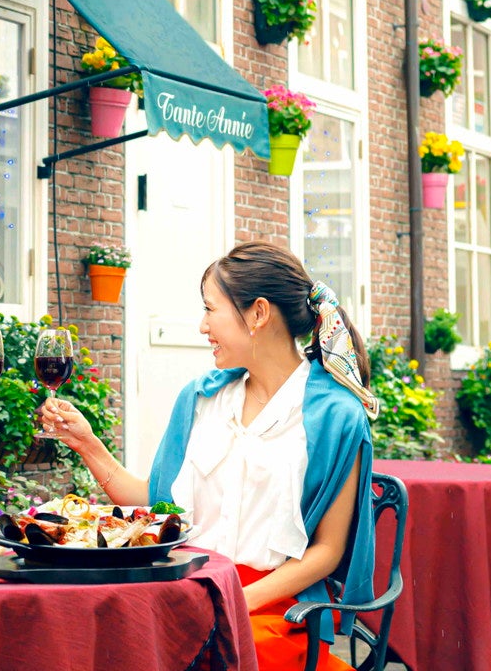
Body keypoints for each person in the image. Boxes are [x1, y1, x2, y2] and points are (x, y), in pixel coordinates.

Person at [43, 241, 377, 671]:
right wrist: (87, 444)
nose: (202, 326)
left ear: (258, 314)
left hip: (270, 609)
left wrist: (234, 601)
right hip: (181, 591)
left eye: (210, 309)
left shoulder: (337, 416)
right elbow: (153, 503)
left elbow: (327, 551)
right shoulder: (201, 399)